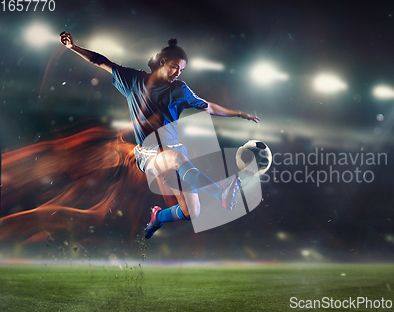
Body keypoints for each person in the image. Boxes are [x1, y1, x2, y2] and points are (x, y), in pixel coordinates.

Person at [59, 31, 260, 239]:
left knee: (192, 211)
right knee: (177, 159)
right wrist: (74, 47)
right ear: (163, 61)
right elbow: (101, 62)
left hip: (173, 152)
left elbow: (208, 107)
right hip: (149, 153)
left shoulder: (180, 90)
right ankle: (220, 191)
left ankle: (158, 217)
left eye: (182, 70)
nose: (178, 73)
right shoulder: (134, 80)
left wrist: (239, 113)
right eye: (175, 67)